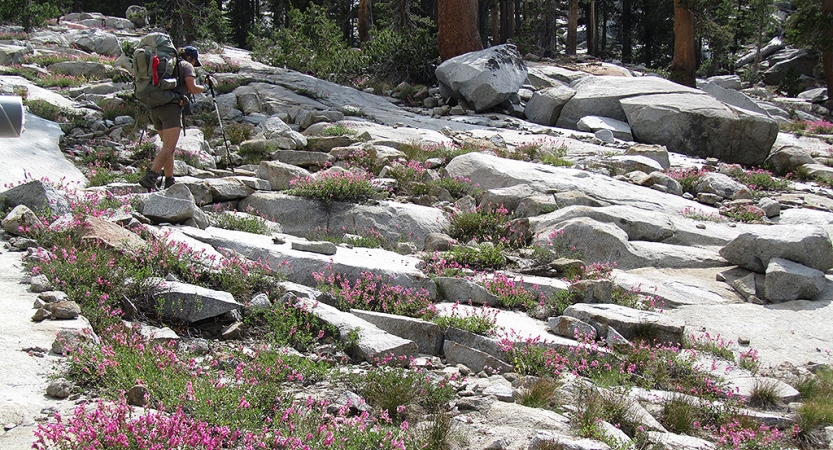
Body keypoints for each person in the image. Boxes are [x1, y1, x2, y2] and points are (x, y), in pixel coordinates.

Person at [139, 45, 213, 190]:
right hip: (171, 109)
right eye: (194, 62)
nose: (194, 65)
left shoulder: (166, 66)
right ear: (190, 58)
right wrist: (206, 87)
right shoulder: (186, 65)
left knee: (168, 147)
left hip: (155, 109)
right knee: (169, 147)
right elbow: (192, 88)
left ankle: (169, 180)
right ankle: (150, 176)